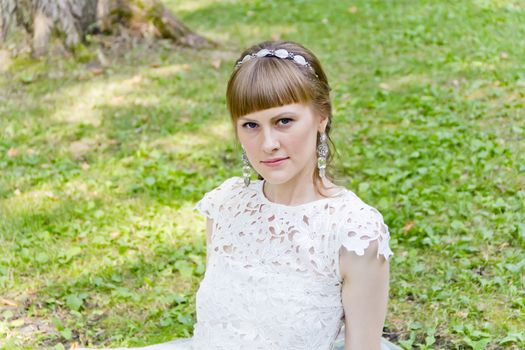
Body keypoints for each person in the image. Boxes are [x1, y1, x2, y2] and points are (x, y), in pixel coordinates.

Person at [77, 40, 400, 350]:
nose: (268, 143)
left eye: (284, 121)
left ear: (321, 117)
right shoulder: (227, 205)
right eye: (250, 125)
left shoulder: (354, 232)